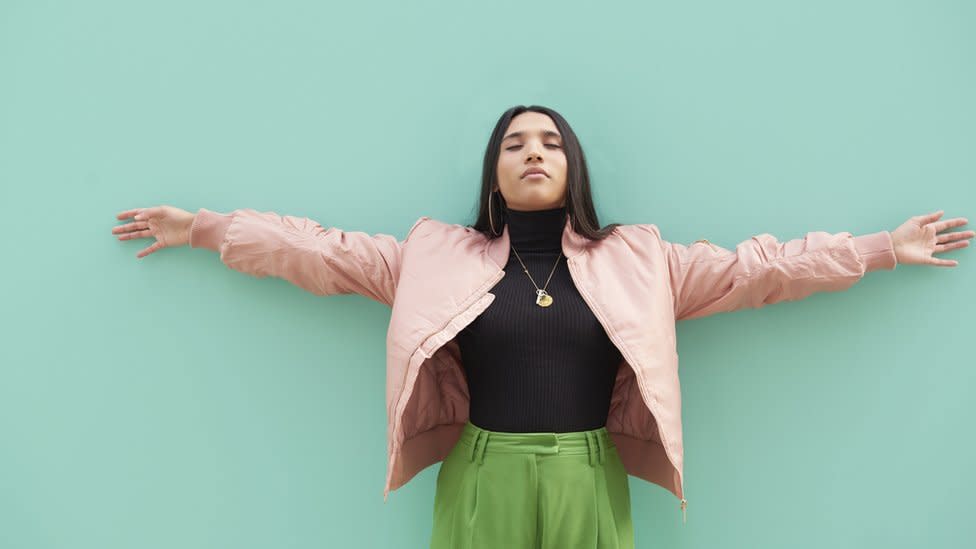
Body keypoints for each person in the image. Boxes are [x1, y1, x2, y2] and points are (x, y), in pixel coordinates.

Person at [111, 106, 972, 548]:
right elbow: (319, 250)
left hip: (591, 475)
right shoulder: (433, 255)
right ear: (494, 171)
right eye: (515, 141)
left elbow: (762, 268)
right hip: (480, 474)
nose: (533, 151)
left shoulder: (641, 259)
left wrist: (880, 250)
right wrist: (207, 228)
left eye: (550, 142)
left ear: (572, 166)